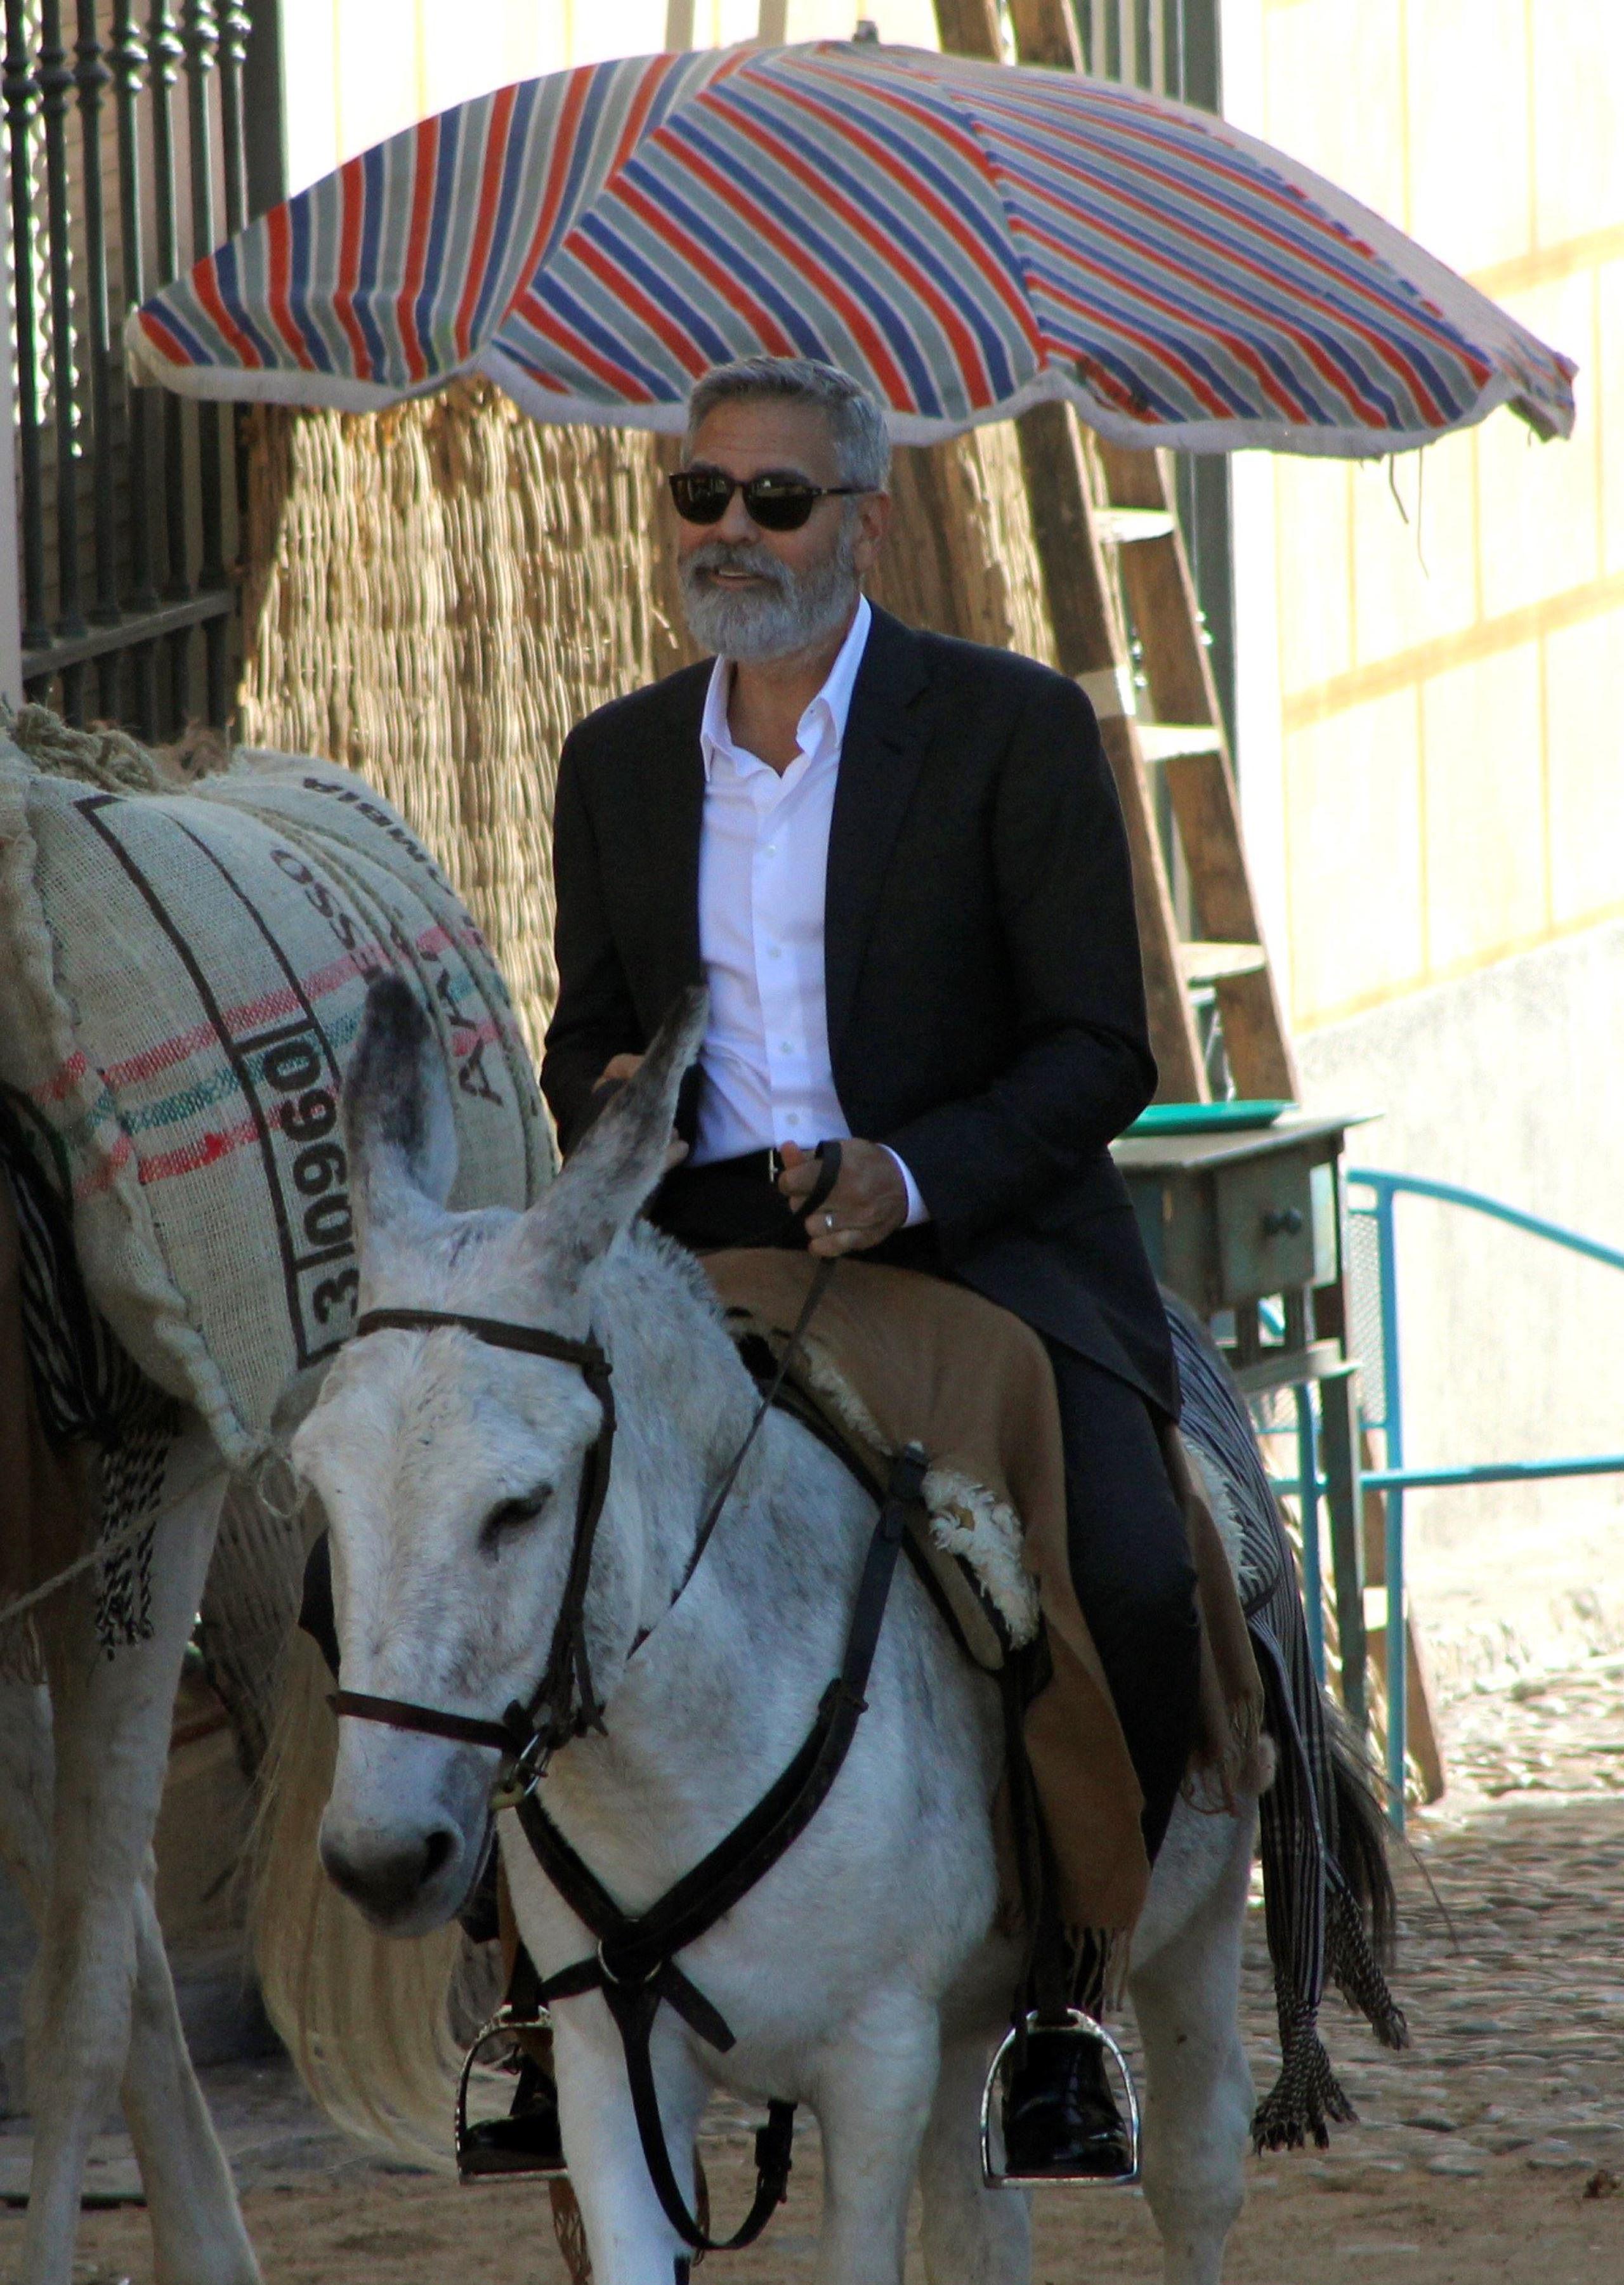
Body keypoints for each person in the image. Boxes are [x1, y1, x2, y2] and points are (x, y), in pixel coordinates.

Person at [537, 355, 1201, 2178]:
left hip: (979, 1252)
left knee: (1136, 1581)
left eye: (776, 499)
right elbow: (582, 1026)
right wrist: (606, 1094)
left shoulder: (1006, 728)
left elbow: (1099, 1051)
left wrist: (908, 1174)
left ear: (863, 521)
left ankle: (1068, 1990)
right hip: (698, 1260)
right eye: (703, 496)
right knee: (473, 1521)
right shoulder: (612, 759)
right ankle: (530, 2003)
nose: (730, 534)